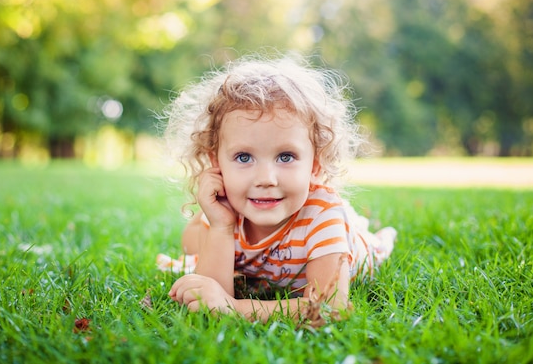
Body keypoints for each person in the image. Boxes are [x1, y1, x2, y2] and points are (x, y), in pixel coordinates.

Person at [159, 54, 397, 322]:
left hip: (348, 239)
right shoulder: (228, 209)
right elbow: (210, 297)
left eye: (285, 157)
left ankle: (380, 234)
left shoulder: (322, 215)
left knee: (369, 237)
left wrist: (235, 308)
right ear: (217, 162)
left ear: (315, 164)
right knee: (193, 239)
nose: (266, 179)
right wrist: (221, 227)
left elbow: (330, 307)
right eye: (243, 157)